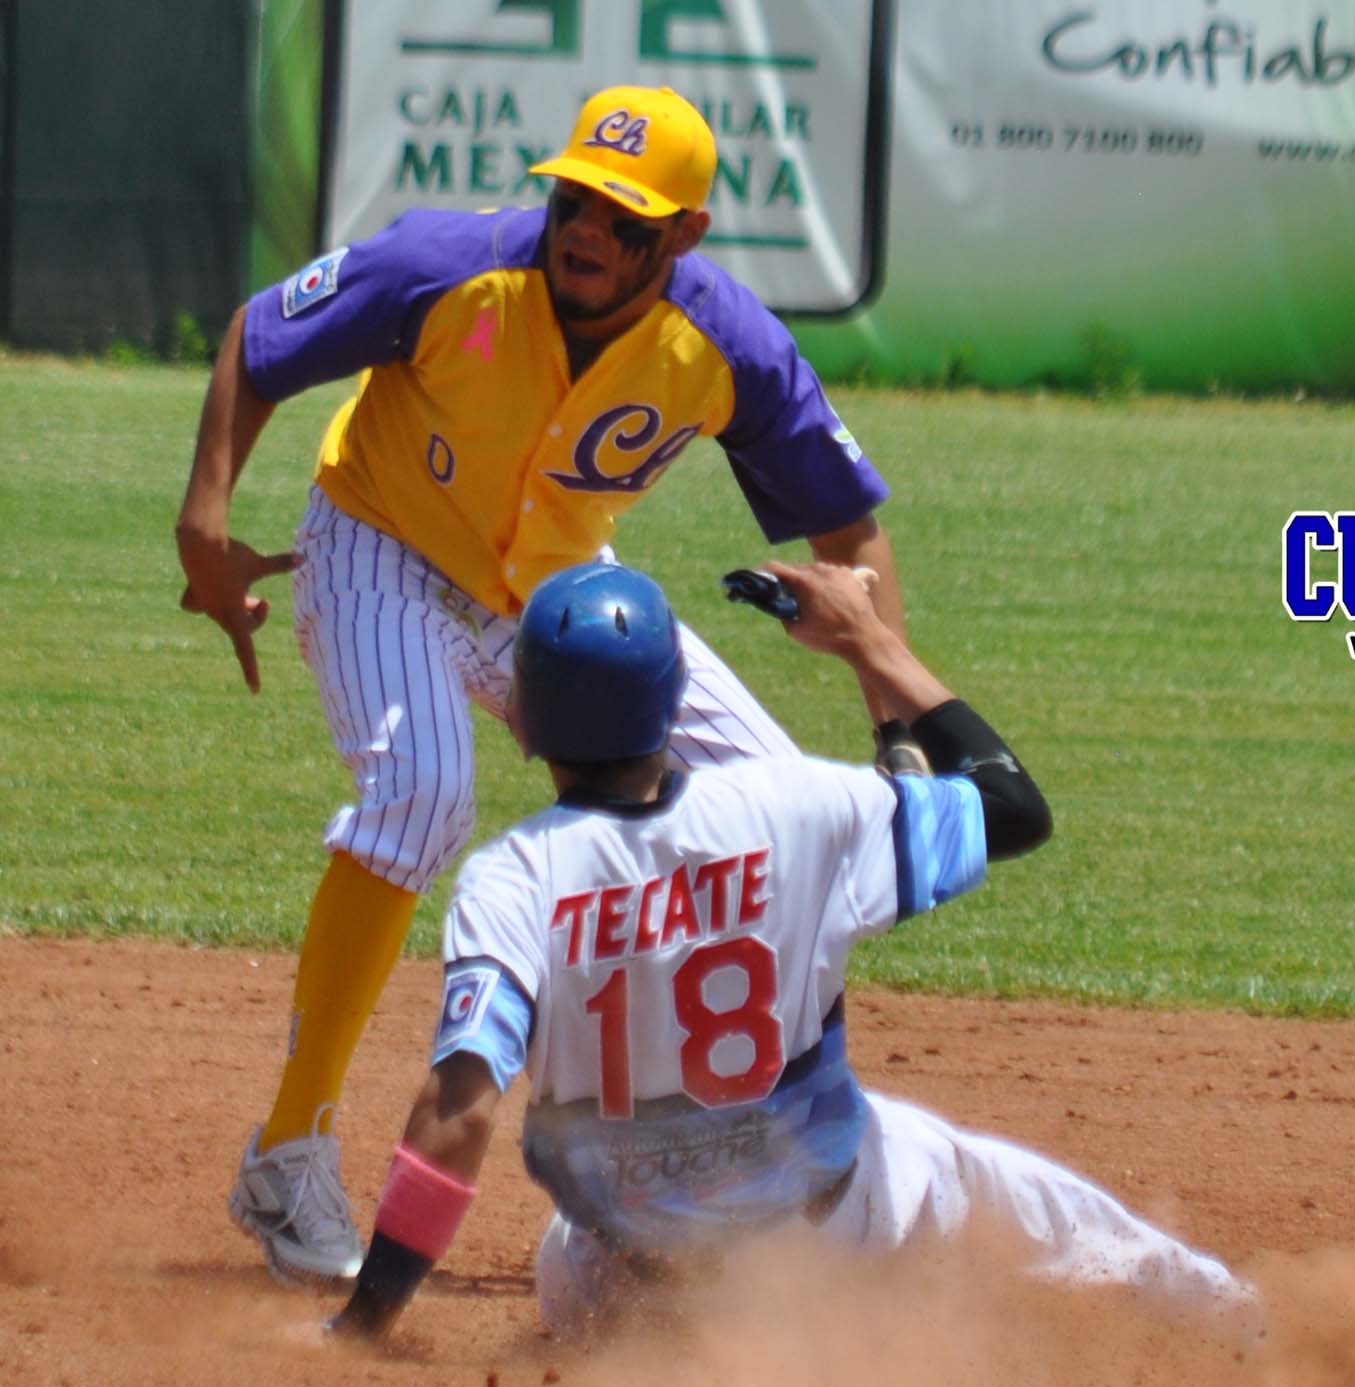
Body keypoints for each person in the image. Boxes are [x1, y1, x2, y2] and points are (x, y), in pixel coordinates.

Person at [175, 85, 926, 1285]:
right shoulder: (445, 266)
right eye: (576, 195)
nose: (585, 229)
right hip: (383, 542)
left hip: (560, 585)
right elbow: (260, 338)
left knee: (780, 808)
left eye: (625, 217)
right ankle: (286, 1155)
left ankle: (720, 1176)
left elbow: (848, 527)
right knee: (419, 796)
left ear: (683, 234)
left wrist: (893, 697)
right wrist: (206, 520)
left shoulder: (727, 345)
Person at [324, 560, 1255, 1344]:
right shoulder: (796, 805)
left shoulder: (511, 881)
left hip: (618, 1295)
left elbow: (459, 1115)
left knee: (576, 1236)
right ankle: (1242, 1324)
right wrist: (868, 643)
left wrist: (361, 1326)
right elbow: (1012, 809)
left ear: (522, 718)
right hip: (834, 1241)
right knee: (970, 1179)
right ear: (676, 697)